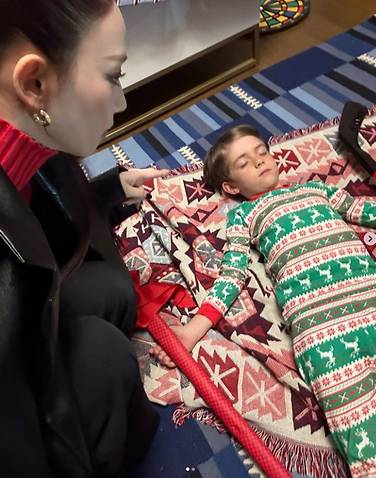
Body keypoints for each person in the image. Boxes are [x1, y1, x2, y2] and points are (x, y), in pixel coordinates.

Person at [151, 125, 376, 477]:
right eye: (244, 162)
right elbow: (232, 276)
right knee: (371, 455)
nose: (260, 161)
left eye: (262, 152)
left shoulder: (316, 189)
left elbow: (371, 213)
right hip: (325, 336)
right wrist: (190, 332)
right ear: (231, 187)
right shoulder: (244, 215)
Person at [0, 1, 167, 476]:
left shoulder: (20, 135)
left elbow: (29, 220)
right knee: (104, 354)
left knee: (111, 288)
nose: (122, 102)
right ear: (34, 83)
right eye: (113, 75)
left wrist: (105, 194)